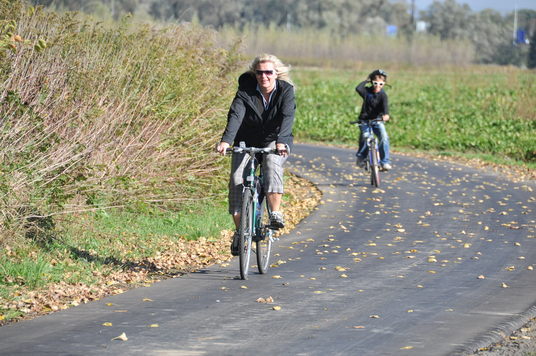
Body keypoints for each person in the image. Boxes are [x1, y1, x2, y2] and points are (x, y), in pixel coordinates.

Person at [216, 54, 296, 256]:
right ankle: (239, 232)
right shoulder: (246, 90)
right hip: (246, 139)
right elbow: (235, 115)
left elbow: (287, 117)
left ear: (276, 73)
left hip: (275, 140)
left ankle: (275, 212)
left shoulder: (286, 91)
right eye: (259, 72)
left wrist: (282, 141)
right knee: (236, 179)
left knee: (271, 163)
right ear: (255, 73)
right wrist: (226, 140)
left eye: (268, 72)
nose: (264, 76)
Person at [355, 69, 391, 171]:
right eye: (375, 83)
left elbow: (385, 107)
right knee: (366, 136)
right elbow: (358, 88)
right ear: (372, 82)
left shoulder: (383, 95)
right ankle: (361, 157)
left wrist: (386, 115)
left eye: (381, 84)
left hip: (377, 120)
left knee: (384, 137)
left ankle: (384, 162)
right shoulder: (367, 92)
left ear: (384, 84)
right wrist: (367, 80)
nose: (378, 86)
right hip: (365, 120)